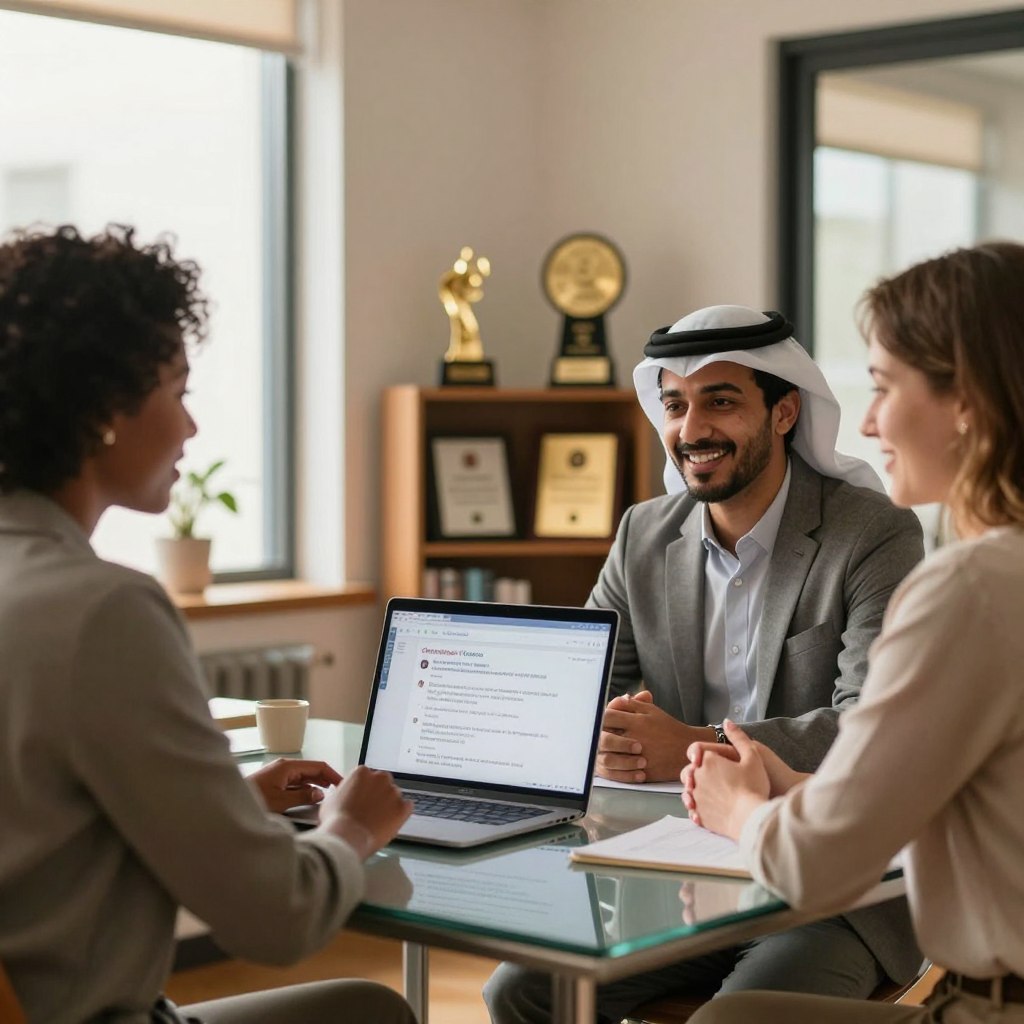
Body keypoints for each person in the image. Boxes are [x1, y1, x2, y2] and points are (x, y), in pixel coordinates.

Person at [0, 224, 415, 1024]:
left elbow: (40, 822)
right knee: (371, 1010)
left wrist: (223, 804)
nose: (190, 428)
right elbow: (279, 920)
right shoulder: (104, 612)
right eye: (179, 391)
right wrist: (351, 829)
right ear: (104, 410)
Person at [484, 305, 925, 1024]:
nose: (692, 430)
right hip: (674, 866)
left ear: (785, 412)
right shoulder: (642, 534)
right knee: (519, 992)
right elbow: (590, 689)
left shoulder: (872, 534)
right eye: (675, 405)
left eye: (720, 402)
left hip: (831, 885)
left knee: (739, 1017)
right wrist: (598, 729)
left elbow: (868, 728)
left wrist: (693, 744)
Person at [684, 242, 1024, 1024]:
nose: (867, 423)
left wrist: (740, 809)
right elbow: (980, 807)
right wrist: (804, 788)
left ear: (967, 399)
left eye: (882, 387)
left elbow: (813, 868)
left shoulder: (966, 587)